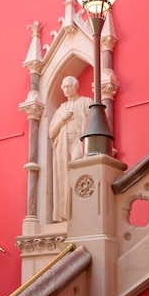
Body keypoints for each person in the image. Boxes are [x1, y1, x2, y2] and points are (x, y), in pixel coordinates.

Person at [49, 75, 93, 222]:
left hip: (78, 142)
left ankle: (81, 210)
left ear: (76, 86)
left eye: (69, 86)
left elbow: (94, 122)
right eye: (64, 87)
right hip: (62, 146)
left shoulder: (86, 102)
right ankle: (66, 212)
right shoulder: (61, 110)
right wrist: (63, 120)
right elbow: (51, 133)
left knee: (78, 170)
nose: (66, 90)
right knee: (64, 177)